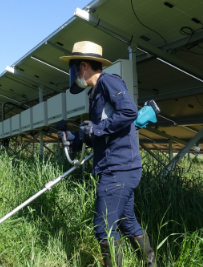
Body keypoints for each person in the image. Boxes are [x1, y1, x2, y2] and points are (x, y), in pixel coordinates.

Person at [57, 41, 156, 267]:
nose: (74, 74)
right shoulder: (94, 94)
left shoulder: (108, 81)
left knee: (103, 227)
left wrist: (98, 128)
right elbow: (98, 134)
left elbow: (129, 111)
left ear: (83, 66)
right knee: (127, 223)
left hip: (118, 169)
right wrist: (72, 138)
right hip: (119, 168)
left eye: (74, 68)